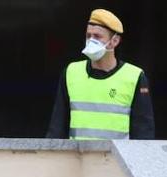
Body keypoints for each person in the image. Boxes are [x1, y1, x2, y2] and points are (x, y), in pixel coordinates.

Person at [46, 8, 154, 140]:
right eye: (88, 36)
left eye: (97, 36)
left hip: (115, 159)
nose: (91, 40)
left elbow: (143, 133)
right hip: (79, 158)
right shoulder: (71, 72)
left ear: (114, 41)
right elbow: (57, 128)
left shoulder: (134, 77)